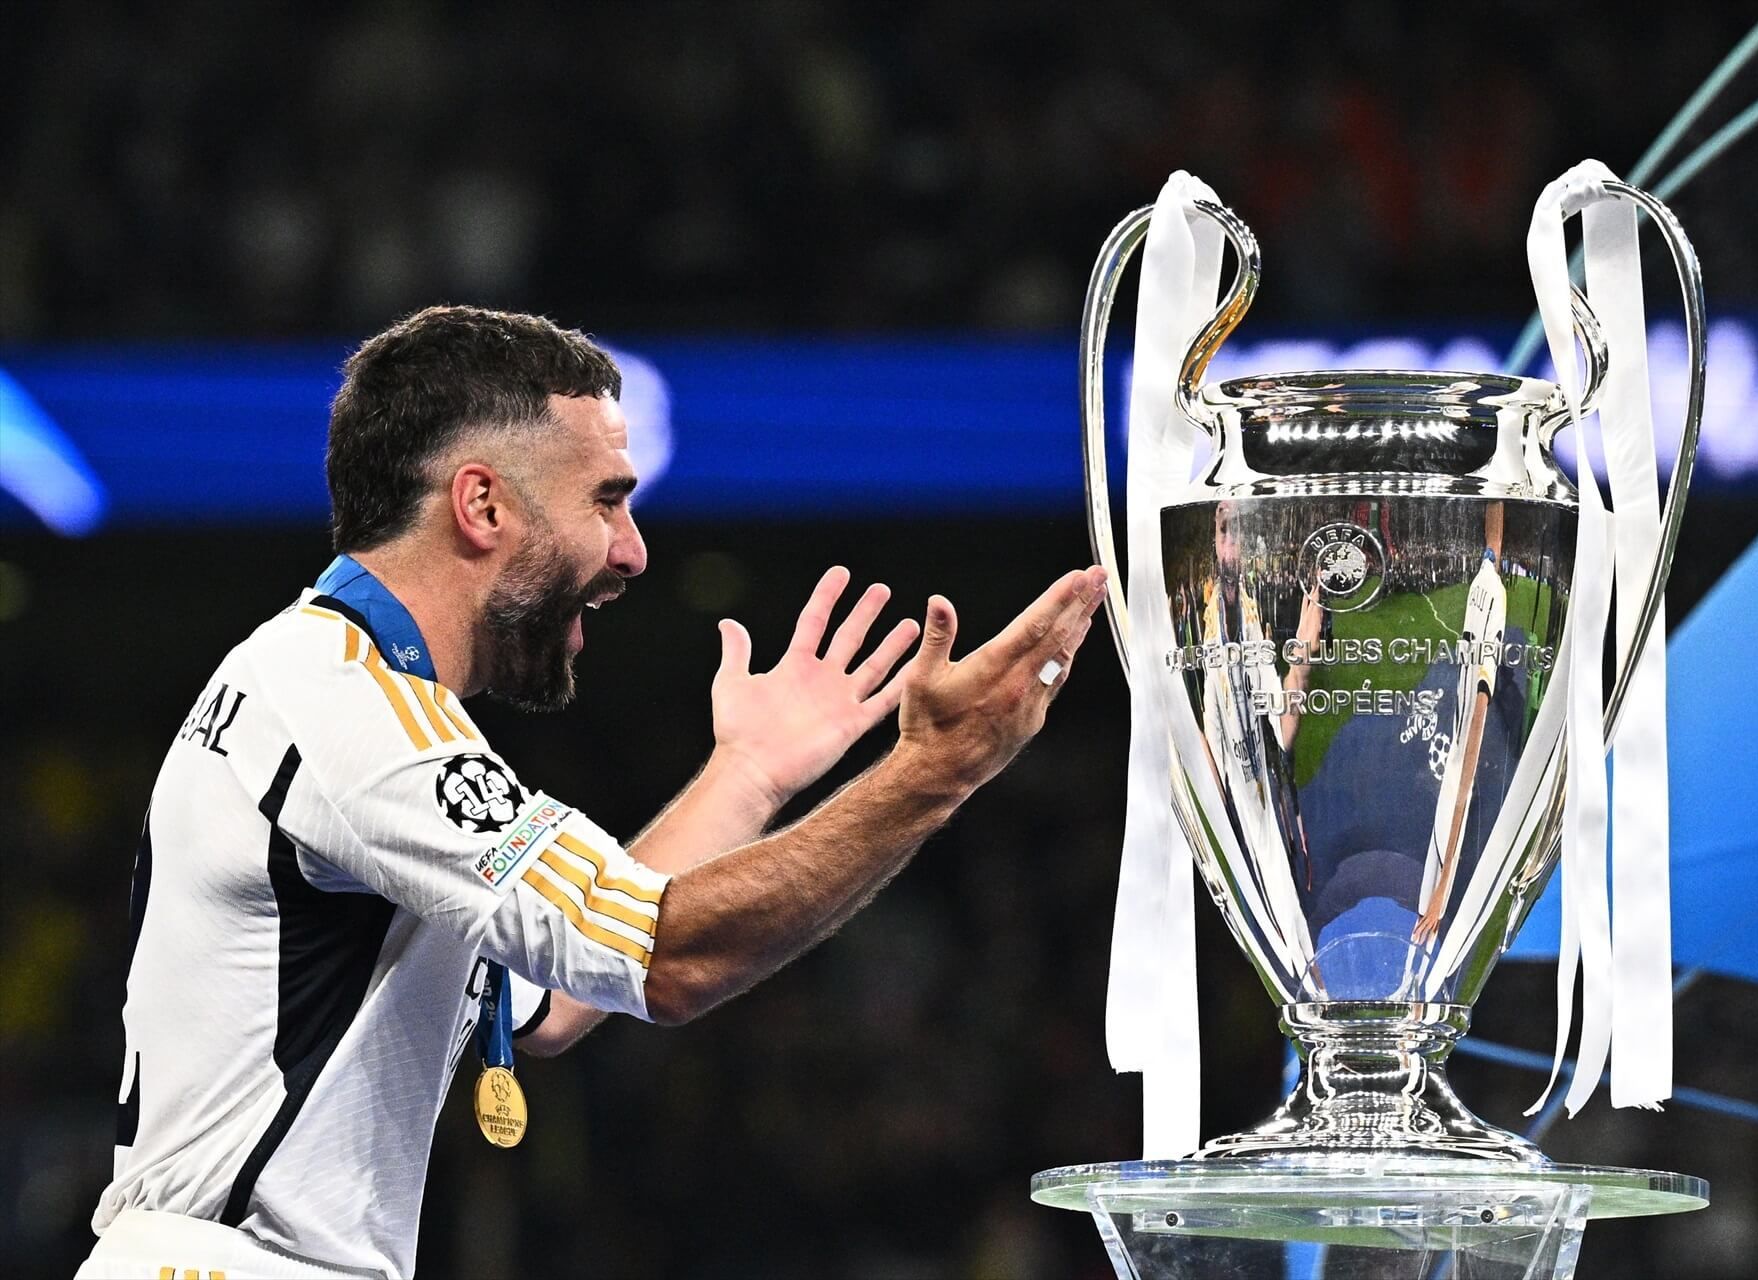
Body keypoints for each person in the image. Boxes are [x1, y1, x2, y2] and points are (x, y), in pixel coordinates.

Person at [77, 305, 1107, 1280]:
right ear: (481, 504)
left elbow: (566, 994)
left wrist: (747, 774)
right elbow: (664, 954)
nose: (634, 549)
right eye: (608, 498)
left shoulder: (332, 689)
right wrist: (937, 769)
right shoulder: (346, 702)